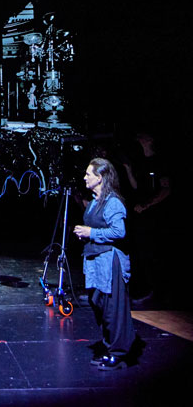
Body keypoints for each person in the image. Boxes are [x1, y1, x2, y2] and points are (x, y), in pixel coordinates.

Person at [74, 157, 136, 370]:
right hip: (96, 258)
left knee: (112, 307)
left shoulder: (113, 202)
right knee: (97, 301)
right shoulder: (94, 201)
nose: (85, 177)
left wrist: (91, 232)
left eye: (88, 174)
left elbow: (119, 231)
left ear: (99, 178)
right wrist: (86, 234)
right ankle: (110, 344)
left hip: (110, 260)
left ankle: (117, 352)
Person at [121, 128, 172, 306]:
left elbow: (166, 189)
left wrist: (147, 205)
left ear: (150, 140)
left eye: (143, 137)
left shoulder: (160, 162)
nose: (139, 139)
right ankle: (143, 289)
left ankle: (156, 292)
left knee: (153, 254)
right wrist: (128, 169)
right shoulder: (141, 162)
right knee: (140, 252)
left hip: (154, 216)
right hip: (140, 215)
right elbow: (136, 186)